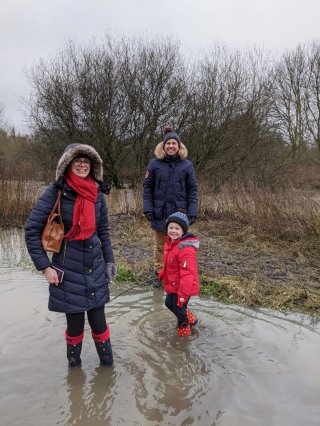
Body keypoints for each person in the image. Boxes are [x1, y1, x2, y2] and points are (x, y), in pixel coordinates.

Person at [25, 143, 117, 367]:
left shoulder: (96, 195)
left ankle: (107, 367)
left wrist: (109, 261)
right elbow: (31, 230)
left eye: (87, 161)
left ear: (93, 166)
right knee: (75, 327)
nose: (83, 164)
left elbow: (102, 231)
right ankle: (74, 373)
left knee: (99, 323)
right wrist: (45, 267)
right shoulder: (55, 192)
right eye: (78, 160)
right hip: (66, 270)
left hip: (95, 267)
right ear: (67, 164)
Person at [143, 127, 198, 288]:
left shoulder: (187, 166)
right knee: (160, 247)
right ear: (163, 146)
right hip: (159, 213)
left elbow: (193, 190)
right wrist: (148, 208)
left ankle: (178, 274)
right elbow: (147, 188)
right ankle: (158, 274)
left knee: (180, 246)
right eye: (168, 143)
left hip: (180, 214)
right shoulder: (154, 164)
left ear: (179, 146)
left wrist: (192, 211)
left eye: (174, 143)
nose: (171, 146)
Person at [158, 212, 200, 336]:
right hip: (174, 283)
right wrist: (162, 274)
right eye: (171, 228)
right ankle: (192, 320)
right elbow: (169, 264)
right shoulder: (169, 243)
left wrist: (182, 295)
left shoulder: (186, 249)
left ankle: (184, 335)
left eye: (177, 228)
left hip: (184, 287)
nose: (173, 231)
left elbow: (188, 275)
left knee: (179, 309)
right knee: (168, 303)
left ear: (183, 231)